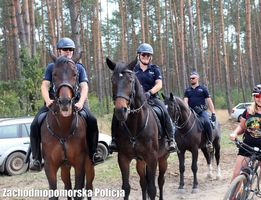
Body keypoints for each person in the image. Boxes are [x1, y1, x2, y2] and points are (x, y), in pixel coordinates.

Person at [29, 37, 103, 171]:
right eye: (65, 49)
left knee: (92, 120)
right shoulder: (51, 67)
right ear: (59, 51)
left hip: (75, 102)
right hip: (53, 103)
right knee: (35, 123)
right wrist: (47, 100)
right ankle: (37, 159)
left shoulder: (79, 67)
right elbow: (45, 86)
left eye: (70, 50)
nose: (68, 52)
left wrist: (81, 102)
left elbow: (84, 86)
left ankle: (93, 153)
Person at [109, 43, 177, 153]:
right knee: (117, 113)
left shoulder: (155, 69)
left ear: (150, 57)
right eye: (143, 55)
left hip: (152, 98)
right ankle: (114, 140)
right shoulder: (132, 70)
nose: (145, 57)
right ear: (139, 56)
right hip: (135, 100)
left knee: (164, 111)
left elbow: (159, 84)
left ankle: (171, 139)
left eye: (148, 55)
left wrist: (150, 92)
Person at [183, 71, 216, 152]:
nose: (191, 79)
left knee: (207, 122)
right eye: (190, 78)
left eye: (193, 78)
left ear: (197, 78)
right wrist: (187, 110)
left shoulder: (203, 89)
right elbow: (185, 102)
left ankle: (209, 142)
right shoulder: (187, 90)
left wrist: (213, 113)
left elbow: (209, 101)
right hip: (190, 112)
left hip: (201, 112)